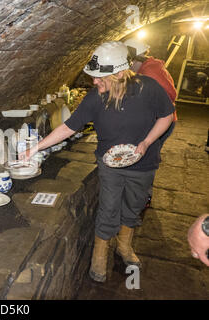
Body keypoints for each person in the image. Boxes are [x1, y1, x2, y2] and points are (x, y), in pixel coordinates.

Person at [19, 41, 175, 283]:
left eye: (100, 77)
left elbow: (166, 116)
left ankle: (124, 248)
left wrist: (146, 143)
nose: (94, 82)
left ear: (121, 74)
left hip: (143, 164)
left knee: (133, 207)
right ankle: (99, 256)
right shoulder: (95, 99)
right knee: (109, 207)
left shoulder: (149, 89)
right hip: (109, 164)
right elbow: (68, 127)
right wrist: (35, 148)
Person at [124, 38, 178, 208]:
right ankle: (143, 195)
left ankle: (143, 197)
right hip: (163, 119)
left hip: (161, 122)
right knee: (147, 155)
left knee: (147, 157)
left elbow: (167, 98)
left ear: (134, 60)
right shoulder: (151, 66)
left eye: (127, 63)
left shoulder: (149, 74)